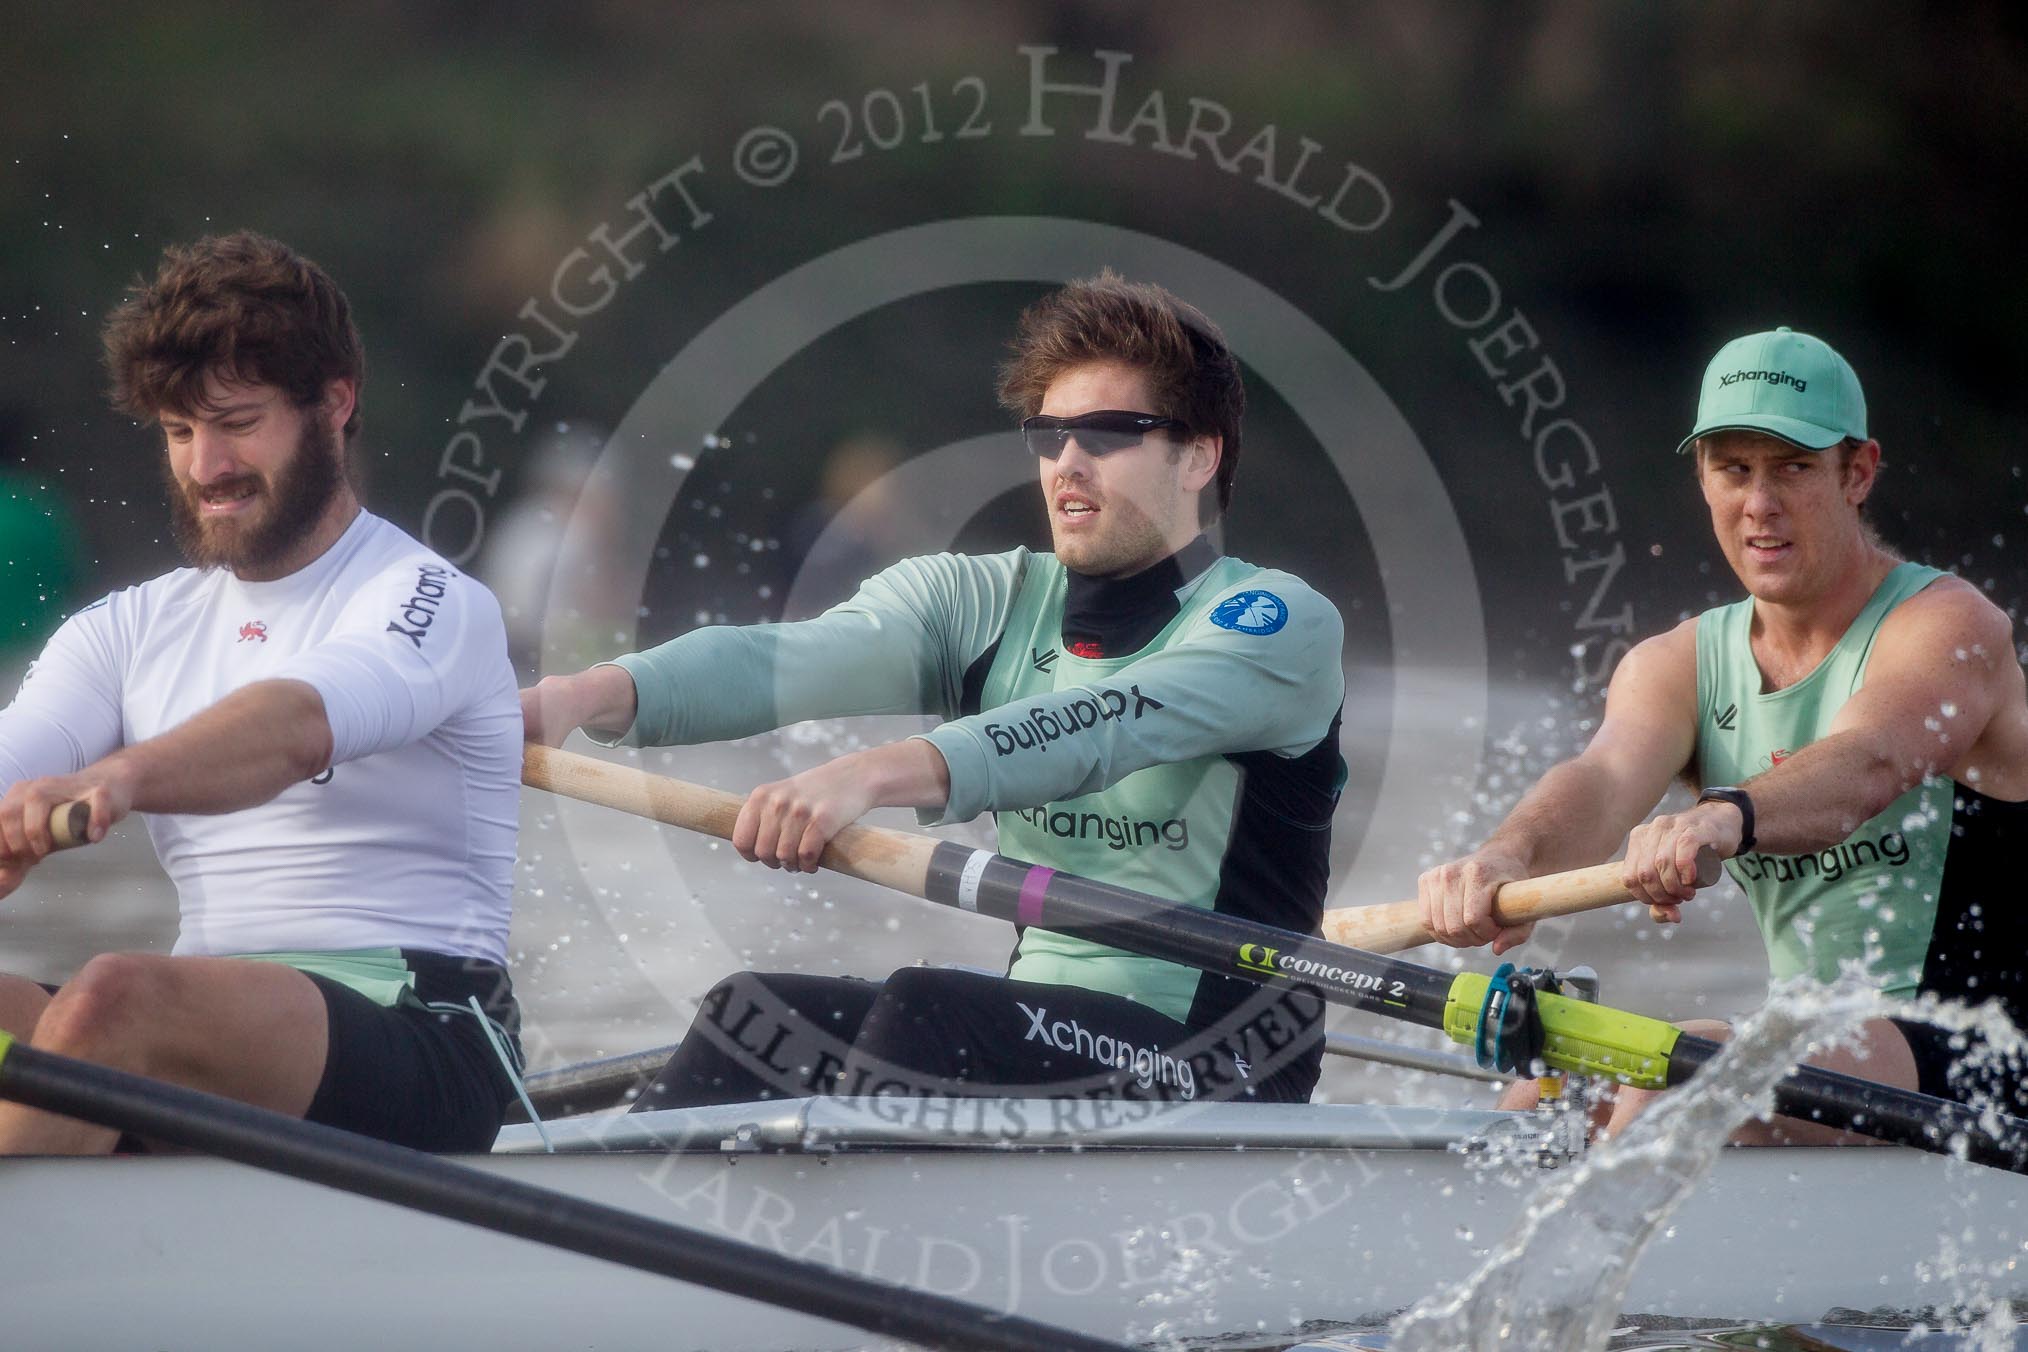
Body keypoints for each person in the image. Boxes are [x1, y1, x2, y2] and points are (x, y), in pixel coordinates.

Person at [524, 272, 1347, 1109]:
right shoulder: (982, 602)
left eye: (1106, 434)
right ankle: (636, 1220)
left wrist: (871, 773)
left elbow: (1095, 728)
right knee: (753, 1013)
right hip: (1052, 1028)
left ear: (1198, 455)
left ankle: (840, 1223)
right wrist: (578, 697)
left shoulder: (1274, 624)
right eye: (1050, 435)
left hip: (1225, 1061)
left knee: (929, 1010)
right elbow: (781, 659)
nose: (1068, 463)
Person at [1418, 326, 2028, 1139]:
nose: (1759, 504)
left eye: (1793, 469)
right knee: (1545, 1102)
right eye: (1733, 469)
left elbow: (1870, 760)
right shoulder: (1675, 665)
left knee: (1676, 1082)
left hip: (1995, 1057)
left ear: (1858, 473)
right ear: (1703, 477)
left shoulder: (1950, 626)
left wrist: (1722, 815)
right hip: (1832, 1051)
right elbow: (1601, 783)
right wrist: (1510, 857)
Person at [0, 233, 524, 1155]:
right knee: (97, 1004)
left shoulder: (428, 599)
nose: (206, 467)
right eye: (177, 432)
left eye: (236, 422)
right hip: (213, 1036)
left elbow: (295, 725)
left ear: (334, 404)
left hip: (427, 1030)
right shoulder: (128, 627)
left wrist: (120, 779)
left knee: (111, 996)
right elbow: (17, 758)